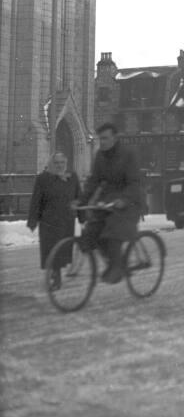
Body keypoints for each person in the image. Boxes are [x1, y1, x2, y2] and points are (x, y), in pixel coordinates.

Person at [77, 122, 141, 284]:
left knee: (112, 230)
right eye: (100, 139)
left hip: (130, 202)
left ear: (115, 138)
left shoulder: (128, 154)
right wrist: (82, 200)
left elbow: (135, 183)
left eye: (105, 138)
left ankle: (116, 267)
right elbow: (93, 181)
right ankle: (113, 262)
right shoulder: (100, 155)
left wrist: (124, 200)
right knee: (92, 229)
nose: (102, 142)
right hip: (108, 201)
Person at [27, 152, 81, 291]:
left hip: (66, 221)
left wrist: (83, 217)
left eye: (62, 162)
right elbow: (36, 200)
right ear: (51, 164)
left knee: (62, 250)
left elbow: (78, 197)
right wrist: (33, 220)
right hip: (48, 222)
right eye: (56, 163)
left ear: (66, 164)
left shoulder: (72, 177)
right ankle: (55, 276)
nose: (59, 165)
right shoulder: (43, 179)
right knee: (50, 251)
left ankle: (56, 274)